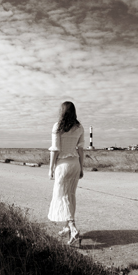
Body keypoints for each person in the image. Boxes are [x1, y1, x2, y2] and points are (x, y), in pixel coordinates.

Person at [48, 101, 84, 245]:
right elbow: (81, 149)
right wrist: (82, 167)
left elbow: (55, 149)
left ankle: (73, 228)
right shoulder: (79, 127)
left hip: (62, 166)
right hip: (75, 164)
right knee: (70, 195)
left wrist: (50, 168)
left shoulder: (58, 127)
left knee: (61, 195)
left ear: (61, 111)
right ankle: (66, 227)